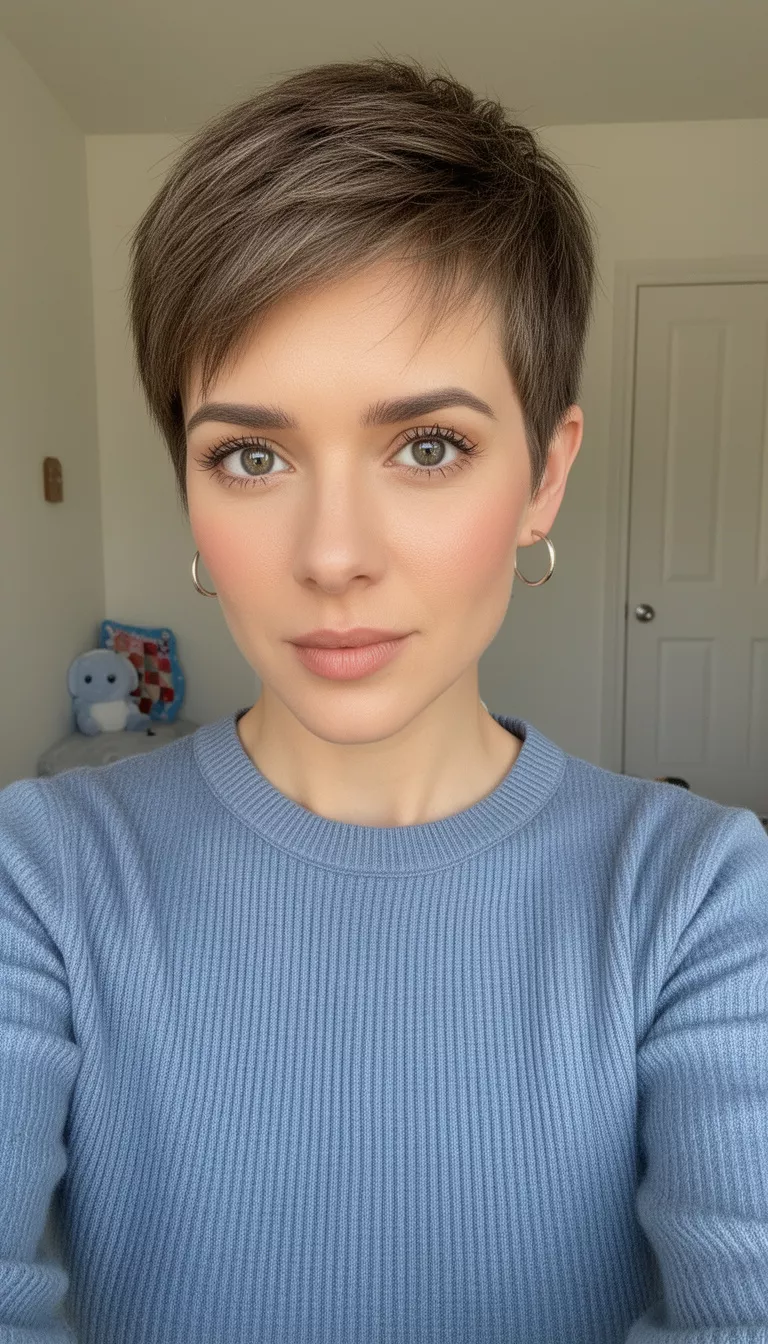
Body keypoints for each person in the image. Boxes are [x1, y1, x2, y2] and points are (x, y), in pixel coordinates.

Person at [1, 58, 766, 1344]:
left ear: (543, 478)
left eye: (429, 446)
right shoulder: (44, 875)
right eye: (252, 455)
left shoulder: (695, 896)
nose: (334, 552)